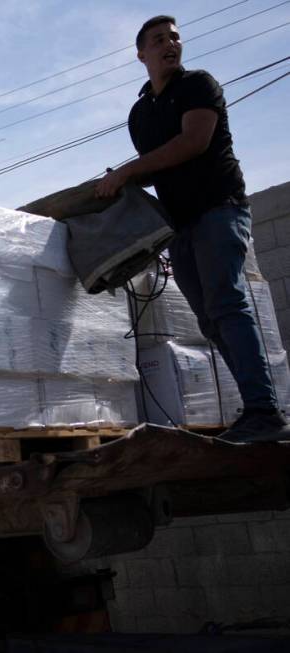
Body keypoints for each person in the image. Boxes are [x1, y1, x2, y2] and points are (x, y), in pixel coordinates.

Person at [96, 15, 289, 443]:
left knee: (227, 304)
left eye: (175, 37)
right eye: (159, 39)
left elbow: (192, 143)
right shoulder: (140, 113)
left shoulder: (199, 85)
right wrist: (115, 183)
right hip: (179, 225)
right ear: (141, 54)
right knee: (210, 320)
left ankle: (263, 410)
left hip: (220, 211)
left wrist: (127, 171)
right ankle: (259, 409)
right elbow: (153, 166)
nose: (171, 44)